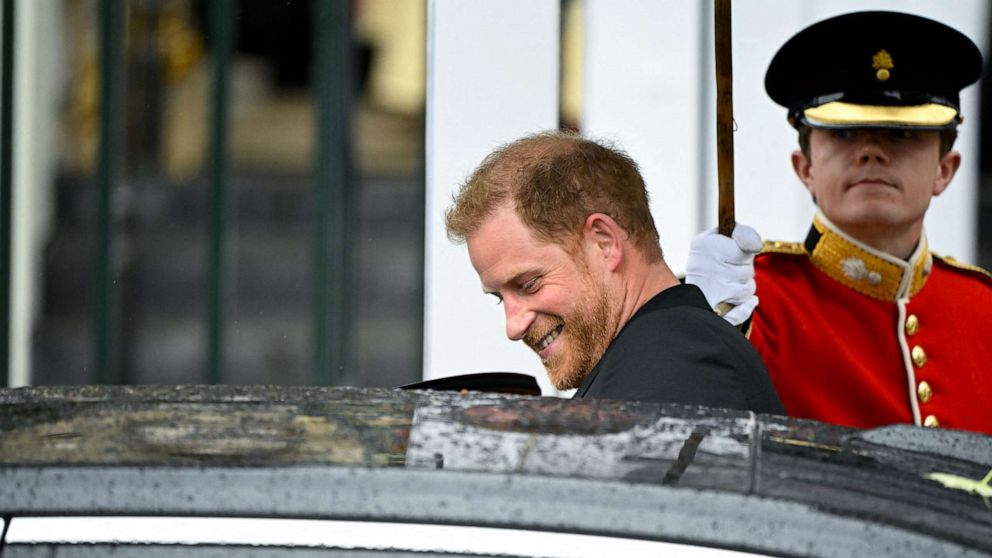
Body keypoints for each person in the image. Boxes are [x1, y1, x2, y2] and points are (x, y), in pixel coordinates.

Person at [686, 11, 992, 434]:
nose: (871, 152)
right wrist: (693, 320)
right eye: (844, 134)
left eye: (901, 135)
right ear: (804, 167)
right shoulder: (752, 303)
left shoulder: (983, 309)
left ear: (946, 169)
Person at [445, 131, 784, 413]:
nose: (513, 327)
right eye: (499, 299)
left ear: (604, 242)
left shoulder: (677, 364)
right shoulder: (655, 357)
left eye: (529, 284)